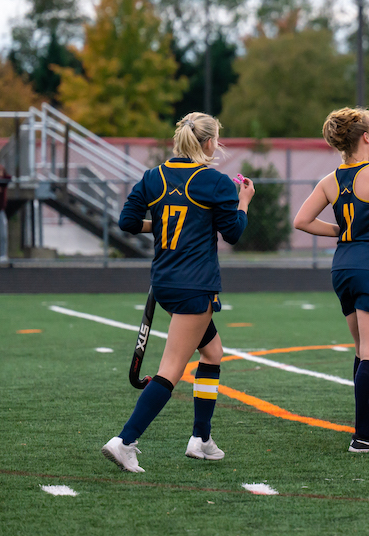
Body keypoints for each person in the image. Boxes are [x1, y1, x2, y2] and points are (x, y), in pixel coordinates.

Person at [102, 113, 255, 472]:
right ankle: (125, 441)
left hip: (165, 281)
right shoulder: (214, 181)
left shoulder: (153, 176)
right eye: (216, 139)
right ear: (208, 143)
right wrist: (244, 199)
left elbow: (127, 221)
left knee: (213, 353)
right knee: (171, 369)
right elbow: (233, 233)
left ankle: (201, 438)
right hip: (194, 285)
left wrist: (168, 222)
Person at [294, 107, 369, 453]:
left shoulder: (330, 180)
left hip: (343, 266)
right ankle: (363, 436)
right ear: (365, 137)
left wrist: (345, 231)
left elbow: (302, 220)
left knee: (363, 349)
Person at [0, 163, 10, 264]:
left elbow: (9, 178)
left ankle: (3, 255)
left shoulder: (3, 182)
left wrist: (2, 175)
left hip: (0, 211)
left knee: (3, 234)